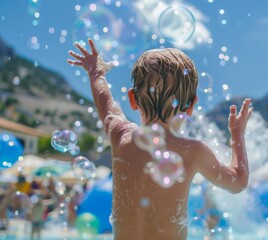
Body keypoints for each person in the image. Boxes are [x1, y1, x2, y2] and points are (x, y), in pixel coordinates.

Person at [67, 39, 253, 239]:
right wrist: (237, 134)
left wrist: (96, 72)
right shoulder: (194, 150)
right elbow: (238, 181)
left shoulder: (121, 135)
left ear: (132, 99)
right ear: (191, 106)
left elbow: (107, 104)